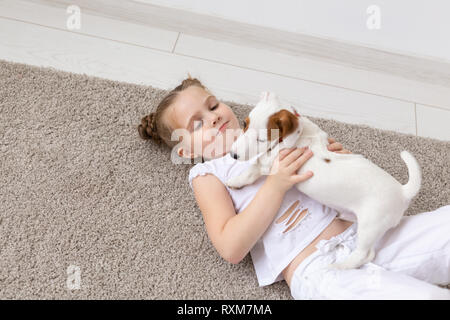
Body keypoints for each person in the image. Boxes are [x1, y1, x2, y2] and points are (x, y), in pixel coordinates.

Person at [138, 75, 450, 299]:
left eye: (213, 105)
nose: (214, 117)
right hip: (319, 268)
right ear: (186, 150)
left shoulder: (273, 135)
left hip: (365, 232)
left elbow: (343, 182)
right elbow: (231, 247)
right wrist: (274, 185)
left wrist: (334, 159)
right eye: (197, 124)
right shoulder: (209, 174)